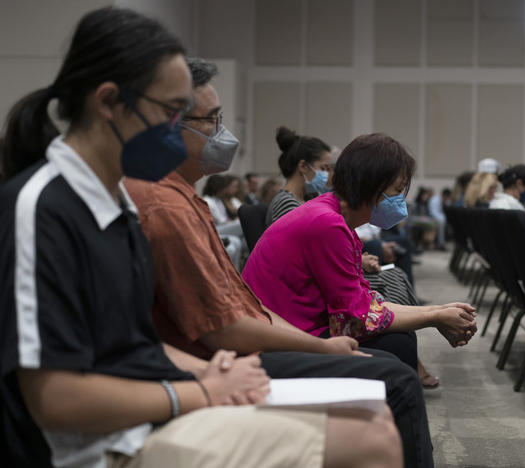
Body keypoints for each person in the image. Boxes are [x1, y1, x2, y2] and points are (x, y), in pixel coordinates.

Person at [0, 10, 401, 468]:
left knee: (373, 419)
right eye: (172, 113)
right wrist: (201, 391)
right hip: (95, 449)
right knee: (369, 440)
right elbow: (57, 400)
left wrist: (213, 372)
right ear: (109, 102)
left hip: (143, 416)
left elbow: (134, 344)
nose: (184, 133)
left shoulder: (116, 204)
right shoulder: (43, 209)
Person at [124, 58, 430, 466]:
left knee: (390, 359)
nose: (223, 134)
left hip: (243, 343)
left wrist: (323, 347)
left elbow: (243, 304)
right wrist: (321, 348)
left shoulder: (185, 197)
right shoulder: (164, 205)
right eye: (213, 120)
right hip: (223, 361)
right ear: (166, 126)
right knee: (396, 379)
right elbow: (222, 329)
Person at [242, 133, 478, 367]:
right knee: (397, 345)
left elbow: (364, 300)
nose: (399, 200)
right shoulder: (328, 224)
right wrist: (434, 317)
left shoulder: (335, 217)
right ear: (370, 186)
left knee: (399, 339)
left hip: (298, 324)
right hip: (284, 337)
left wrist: (439, 311)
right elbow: (358, 317)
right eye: (396, 191)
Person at [266, 126, 331, 226]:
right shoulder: (286, 203)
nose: (326, 175)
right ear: (303, 166)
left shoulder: (305, 199)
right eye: (322, 168)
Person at [202, 174, 246, 269]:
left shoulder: (218, 200)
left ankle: (236, 273)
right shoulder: (207, 200)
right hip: (214, 229)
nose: (224, 190)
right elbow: (221, 221)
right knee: (242, 223)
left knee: (237, 241)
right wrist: (232, 221)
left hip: (222, 227)